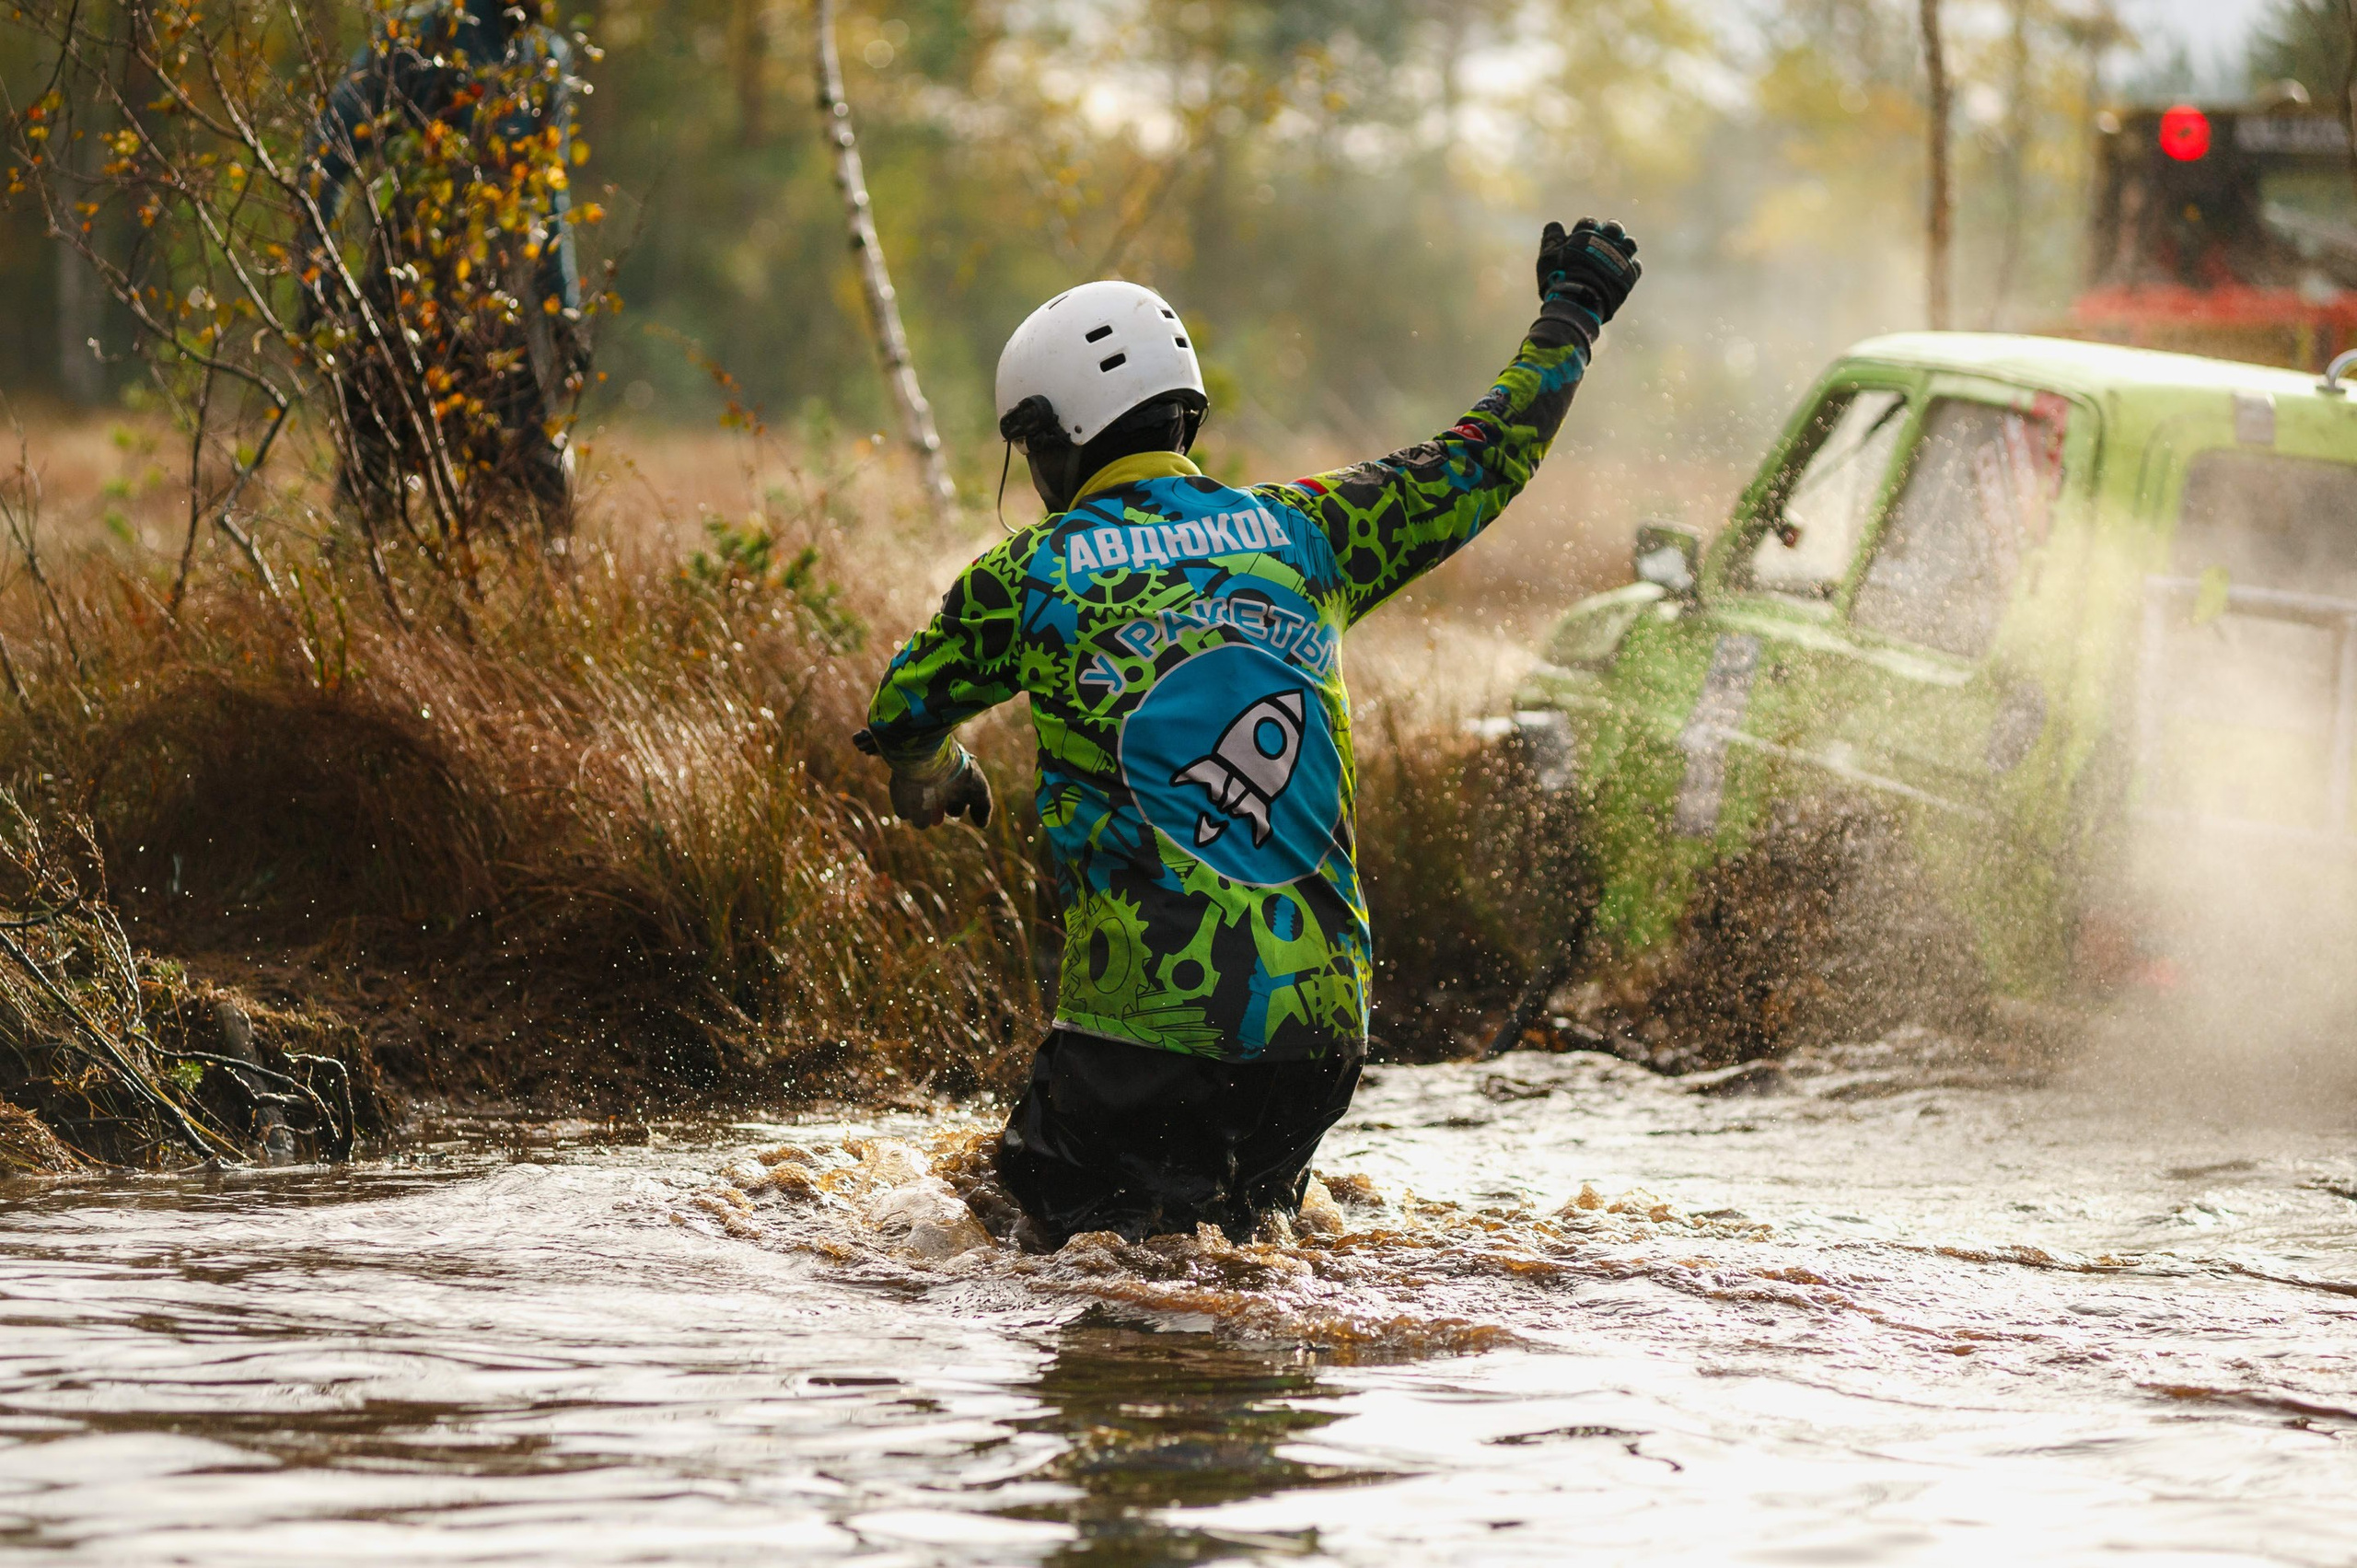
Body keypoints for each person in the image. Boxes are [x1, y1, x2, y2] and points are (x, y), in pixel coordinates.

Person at [860, 219, 1641, 1249]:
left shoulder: (1029, 576)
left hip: (1142, 1038)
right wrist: (1569, 317)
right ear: (1183, 415)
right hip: (1317, 1038)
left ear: (1052, 440)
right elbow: (1482, 456)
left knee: (1022, 1255)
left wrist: (937, 770)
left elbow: (901, 710)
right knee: (1242, 1266)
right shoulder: (1308, 532)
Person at [300, 0, 586, 538]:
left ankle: (516, 590)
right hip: (401, 300)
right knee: (374, 488)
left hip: (498, 313)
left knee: (538, 492)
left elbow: (550, 195)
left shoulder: (545, 59)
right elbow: (325, 157)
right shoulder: (412, 41)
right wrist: (317, 277)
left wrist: (564, 312)